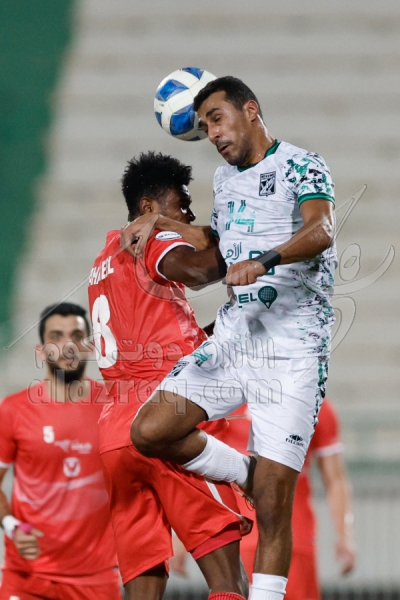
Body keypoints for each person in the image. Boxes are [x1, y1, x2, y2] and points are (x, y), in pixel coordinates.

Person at [123, 76, 338, 600]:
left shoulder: (302, 164)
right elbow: (220, 244)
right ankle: (244, 472)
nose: (212, 133)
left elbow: (323, 229)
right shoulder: (224, 181)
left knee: (274, 507)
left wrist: (264, 261)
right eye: (204, 126)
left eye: (217, 119)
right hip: (236, 336)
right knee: (150, 430)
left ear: (251, 110)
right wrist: (160, 221)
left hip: (292, 348)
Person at [87, 151, 249, 600]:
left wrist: (232, 323)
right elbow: (199, 271)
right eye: (182, 204)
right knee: (230, 582)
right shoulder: (151, 237)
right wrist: (248, 240)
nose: (189, 215)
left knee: (143, 590)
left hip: (115, 432)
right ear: (148, 208)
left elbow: (164, 338)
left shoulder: (103, 260)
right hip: (163, 420)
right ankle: (247, 474)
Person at [170, 400, 355, 600]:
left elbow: (335, 479)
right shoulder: (225, 402)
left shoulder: (314, 404)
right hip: (241, 537)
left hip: (293, 538)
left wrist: (345, 535)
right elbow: (199, 472)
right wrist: (181, 536)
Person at [0, 302, 121, 600]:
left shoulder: (115, 407)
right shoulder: (13, 410)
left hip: (97, 580)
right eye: (56, 336)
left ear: (90, 347)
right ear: (41, 351)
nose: (68, 346)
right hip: (27, 579)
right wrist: (11, 526)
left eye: (77, 336)